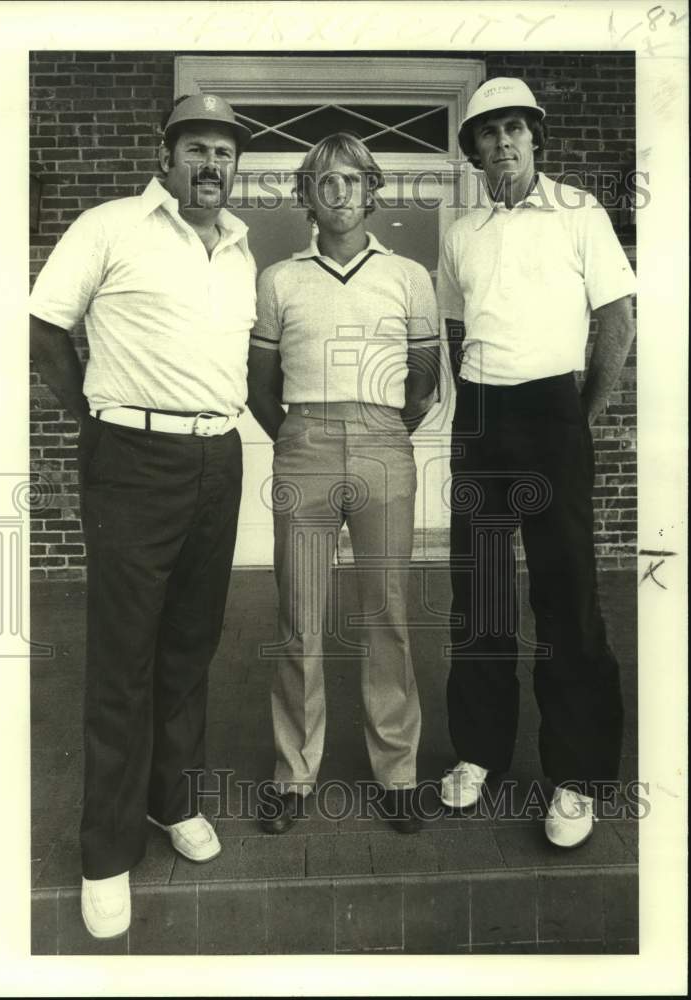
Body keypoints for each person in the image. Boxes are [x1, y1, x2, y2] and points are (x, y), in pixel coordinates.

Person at [29, 94, 255, 938]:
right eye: (195, 149)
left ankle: (172, 802)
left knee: (191, 644)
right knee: (123, 657)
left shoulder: (238, 247)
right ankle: (106, 852)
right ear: (165, 156)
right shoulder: (110, 225)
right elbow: (44, 331)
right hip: (130, 456)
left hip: (216, 458)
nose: (211, 166)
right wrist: (91, 417)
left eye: (224, 154)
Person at [436, 78, 636, 847]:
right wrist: (477, 415)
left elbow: (616, 317)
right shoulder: (461, 231)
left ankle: (575, 777)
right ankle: (479, 753)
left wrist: (579, 416)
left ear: (535, 137)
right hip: (484, 417)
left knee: (568, 595)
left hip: (556, 411)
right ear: (474, 149)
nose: (504, 143)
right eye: (488, 133)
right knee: (481, 592)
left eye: (516, 128)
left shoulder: (579, 211)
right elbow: (455, 333)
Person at [247, 132, 440, 835]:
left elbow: (423, 382)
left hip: (385, 441)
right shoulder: (278, 279)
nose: (338, 194)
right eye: (323, 182)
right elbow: (261, 389)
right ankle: (294, 775)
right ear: (306, 195)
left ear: (371, 190)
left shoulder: (409, 276)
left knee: (385, 612)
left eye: (351, 181)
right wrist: (304, 440)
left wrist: (380, 433)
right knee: (300, 616)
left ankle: (397, 772)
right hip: (304, 442)